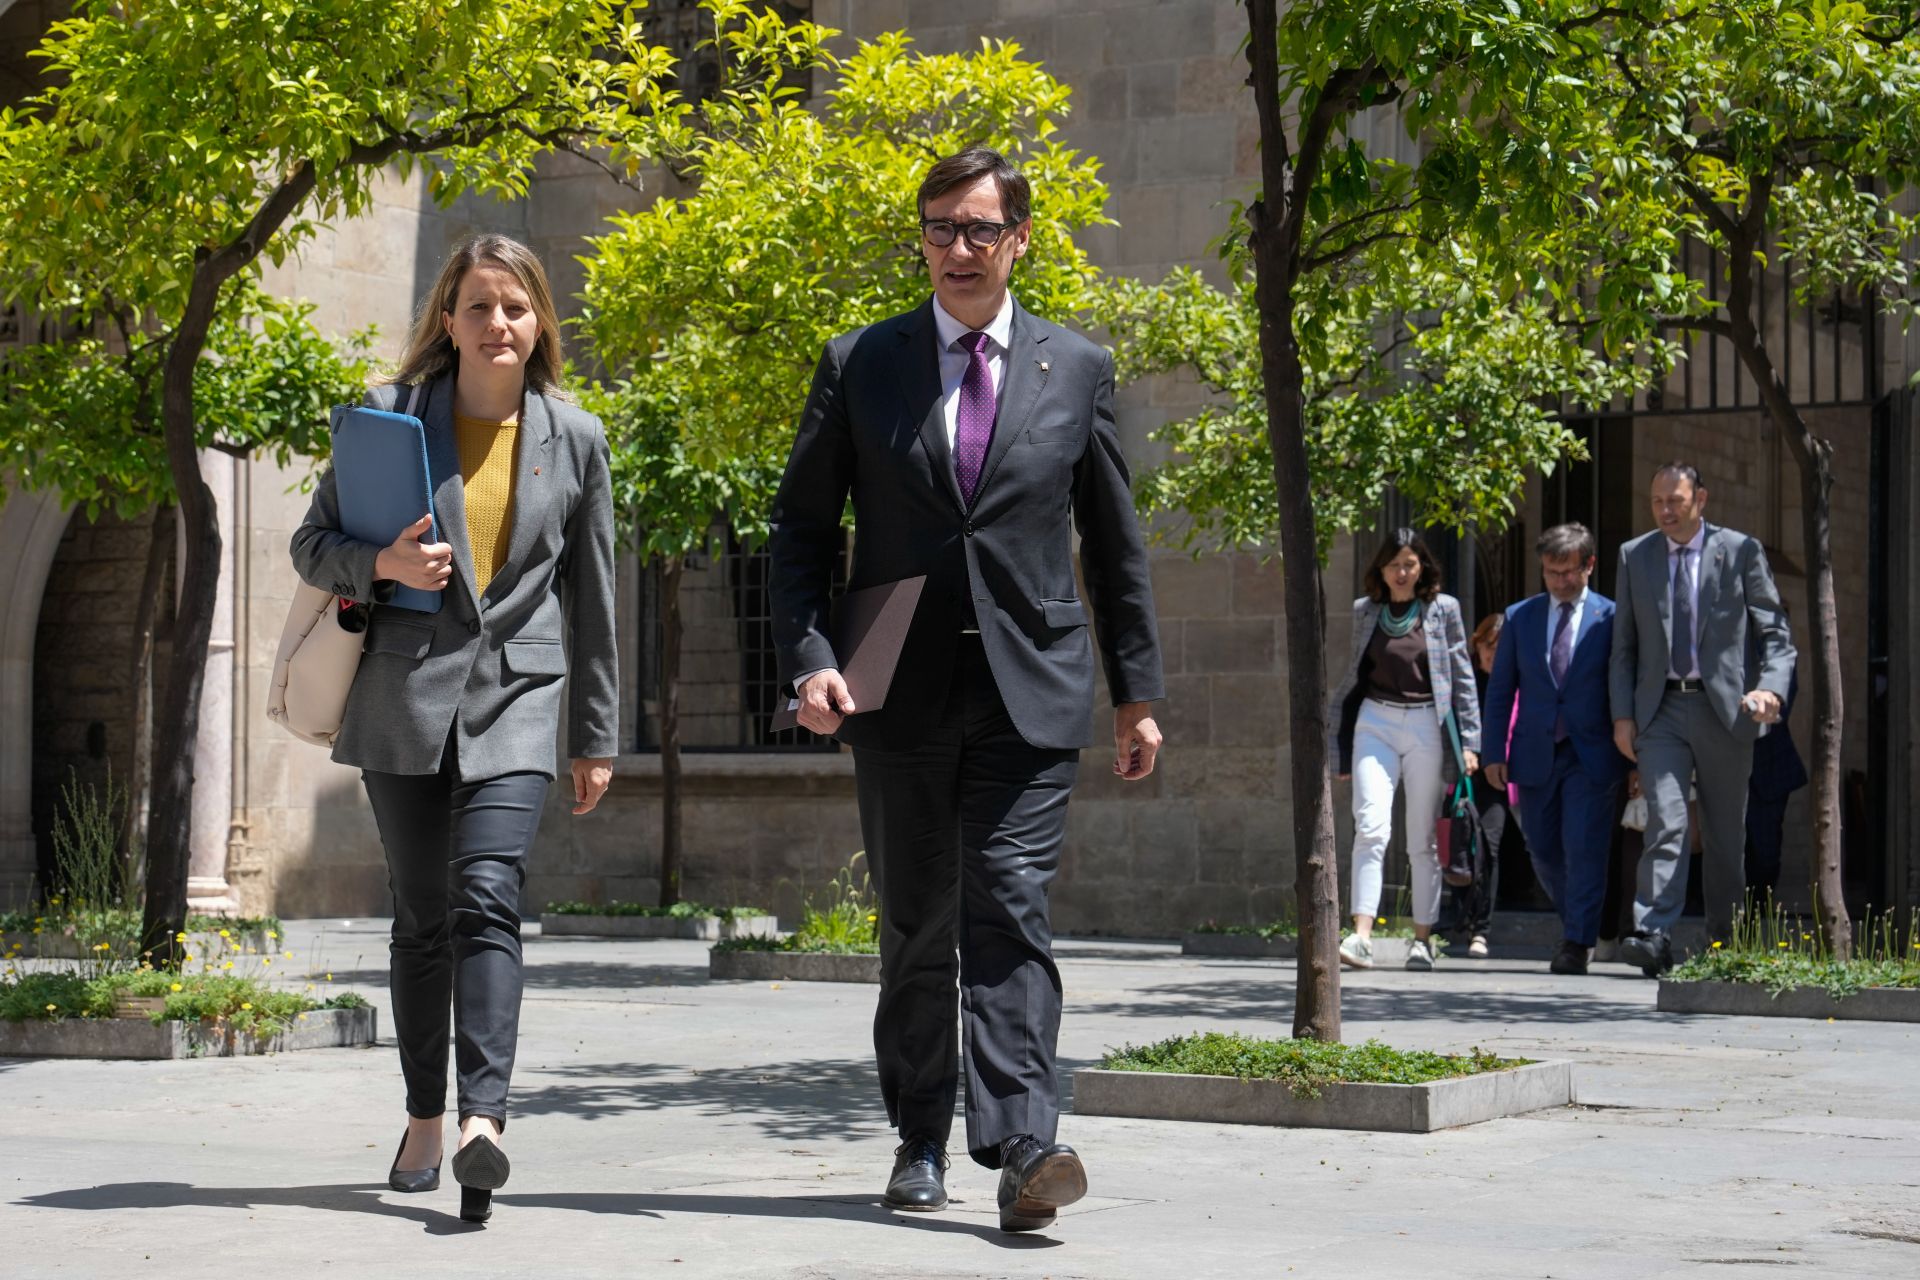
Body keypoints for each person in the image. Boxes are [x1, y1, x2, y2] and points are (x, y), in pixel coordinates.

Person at [768, 146, 1164, 1234]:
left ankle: (1027, 1140)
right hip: (894, 685)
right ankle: (921, 1135)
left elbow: (1116, 543)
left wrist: (1137, 691)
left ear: (1020, 239)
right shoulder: (864, 362)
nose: (957, 247)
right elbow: (801, 532)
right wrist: (811, 656)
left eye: (979, 228)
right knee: (915, 922)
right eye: (940, 227)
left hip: (1029, 685)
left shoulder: (1075, 368)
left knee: (1011, 902)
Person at [290, 234, 618, 1224]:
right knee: (423, 916)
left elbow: (594, 595)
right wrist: (382, 566)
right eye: (479, 306)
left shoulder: (577, 437)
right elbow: (313, 543)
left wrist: (594, 734)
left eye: (515, 307)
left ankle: (485, 1119)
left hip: (518, 697)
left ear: (539, 321)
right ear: (449, 319)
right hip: (403, 697)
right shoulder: (389, 422)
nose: (498, 324)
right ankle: (424, 1115)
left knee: (488, 893)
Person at [1610, 462, 1795, 975]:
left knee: (1723, 835)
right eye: (1657, 502)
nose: (1666, 511)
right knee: (1666, 822)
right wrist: (1623, 715)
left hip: (1726, 710)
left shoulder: (1739, 552)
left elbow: (1775, 632)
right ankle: (1653, 932)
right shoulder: (1634, 556)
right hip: (1661, 709)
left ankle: (1725, 941)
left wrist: (1770, 688)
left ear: (1702, 500)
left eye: (1676, 500)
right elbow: (1623, 646)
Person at [1329, 529, 1481, 972]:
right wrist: (1340, 746)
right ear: (1380, 568)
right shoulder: (1366, 611)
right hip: (1375, 720)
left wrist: (1470, 742)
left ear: (1422, 568)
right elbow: (1353, 674)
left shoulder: (1442, 609)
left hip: (1426, 723)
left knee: (1423, 839)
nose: (1401, 572)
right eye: (1393, 564)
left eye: (1409, 564)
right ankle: (1360, 936)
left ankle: (1422, 937)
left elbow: (1462, 674)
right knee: (1371, 825)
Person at [1484, 523, 1630, 975]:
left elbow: (1625, 685)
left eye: (1569, 572)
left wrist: (1633, 749)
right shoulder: (1521, 617)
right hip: (1534, 752)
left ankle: (1575, 941)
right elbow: (1501, 689)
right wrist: (1493, 751)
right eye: (1552, 573)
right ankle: (1585, 923)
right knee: (1543, 849)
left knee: (1584, 846)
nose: (1561, 582)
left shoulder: (1612, 617)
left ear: (1589, 566)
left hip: (1592, 752)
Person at [1457, 612, 1521, 959]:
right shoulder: (1465, 682)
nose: (1493, 654)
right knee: (1458, 847)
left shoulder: (1518, 680)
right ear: (1476, 645)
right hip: (1464, 777)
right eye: (1488, 646)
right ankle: (1457, 919)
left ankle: (1481, 929)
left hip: (1501, 777)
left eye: (1500, 648)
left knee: (1488, 848)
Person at [1745, 653, 1807, 898]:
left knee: (1765, 855)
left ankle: (1757, 920)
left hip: (1768, 767)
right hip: (1723, 767)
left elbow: (1783, 701)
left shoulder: (1778, 649)